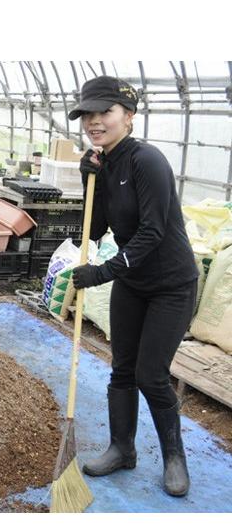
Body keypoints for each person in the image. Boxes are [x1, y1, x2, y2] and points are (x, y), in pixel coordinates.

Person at [68, 75, 199, 497]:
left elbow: (153, 231)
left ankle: (175, 458)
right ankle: (122, 449)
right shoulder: (104, 164)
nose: (94, 121)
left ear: (128, 116)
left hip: (170, 286)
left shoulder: (148, 161)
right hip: (133, 281)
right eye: (88, 114)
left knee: (151, 375)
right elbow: (98, 227)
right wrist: (89, 181)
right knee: (121, 369)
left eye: (104, 112)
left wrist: (103, 272)